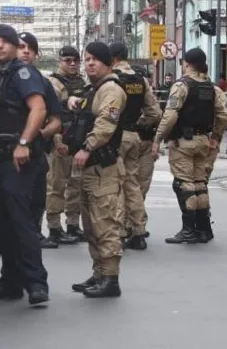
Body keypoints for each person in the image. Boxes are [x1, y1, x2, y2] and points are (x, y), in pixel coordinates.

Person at [0, 24, 49, 306]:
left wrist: (24, 143)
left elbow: (38, 108)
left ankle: (37, 284)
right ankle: (11, 283)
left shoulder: (22, 72)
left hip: (19, 160)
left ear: (15, 46)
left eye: (4, 41)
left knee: (22, 224)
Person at [154, 48, 227, 244]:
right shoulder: (213, 88)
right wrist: (215, 136)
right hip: (205, 142)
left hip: (184, 142)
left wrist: (157, 139)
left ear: (186, 63)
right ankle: (204, 229)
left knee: (184, 184)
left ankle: (188, 229)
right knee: (200, 184)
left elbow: (170, 115)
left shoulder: (181, 86)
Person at [64, 42, 127, 298]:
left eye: (95, 59)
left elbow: (104, 125)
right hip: (90, 170)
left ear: (108, 63)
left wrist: (87, 148)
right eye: (87, 59)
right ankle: (99, 273)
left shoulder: (111, 90)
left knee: (105, 225)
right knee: (90, 226)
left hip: (103, 168)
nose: (89, 63)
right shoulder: (95, 89)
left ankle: (111, 279)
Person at [108, 43, 162, 250]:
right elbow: (155, 113)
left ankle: (120, 230)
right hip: (133, 137)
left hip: (114, 136)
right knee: (132, 184)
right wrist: (137, 125)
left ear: (112, 58)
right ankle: (138, 231)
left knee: (115, 184)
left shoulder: (111, 78)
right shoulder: (140, 80)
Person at [17, 32, 65, 249]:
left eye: (30, 48)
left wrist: (40, 133)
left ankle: (34, 231)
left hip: (35, 152)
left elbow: (57, 120)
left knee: (37, 197)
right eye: (21, 46)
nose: (26, 51)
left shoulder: (43, 83)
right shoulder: (0, 78)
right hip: (6, 154)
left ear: (36, 54)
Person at [43, 45, 89, 246]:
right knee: (56, 185)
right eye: (67, 60)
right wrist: (55, 141)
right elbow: (48, 114)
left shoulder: (82, 82)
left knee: (76, 185)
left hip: (78, 139)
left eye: (75, 60)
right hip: (60, 139)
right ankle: (54, 227)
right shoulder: (53, 83)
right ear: (59, 61)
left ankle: (72, 224)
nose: (72, 64)